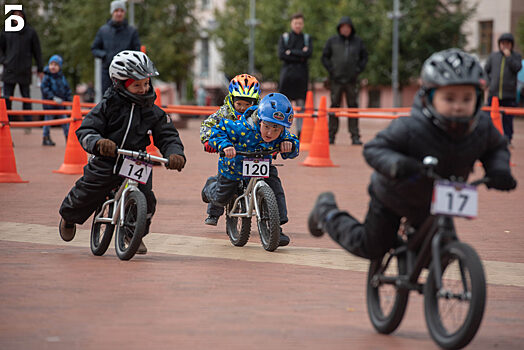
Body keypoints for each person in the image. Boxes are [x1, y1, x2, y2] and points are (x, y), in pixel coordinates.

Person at [309, 49, 517, 260]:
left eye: (467, 98)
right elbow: (374, 149)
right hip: (394, 194)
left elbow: (496, 148)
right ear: (429, 97)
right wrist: (396, 164)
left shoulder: (481, 127)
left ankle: (409, 259)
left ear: (478, 98)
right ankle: (326, 212)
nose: (458, 106)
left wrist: (499, 169)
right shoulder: (412, 126)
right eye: (449, 98)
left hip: (437, 201)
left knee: (442, 255)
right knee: (371, 247)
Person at [58, 50, 186, 255]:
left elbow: (168, 135)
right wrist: (99, 143)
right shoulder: (108, 105)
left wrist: (175, 153)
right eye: (137, 85)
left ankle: (132, 234)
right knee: (89, 191)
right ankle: (69, 217)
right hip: (108, 158)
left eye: (146, 84)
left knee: (147, 200)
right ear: (120, 84)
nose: (144, 89)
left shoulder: (153, 111)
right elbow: (86, 129)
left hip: (137, 160)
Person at [201, 93, 300, 246]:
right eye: (266, 127)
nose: (270, 133)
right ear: (259, 120)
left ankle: (275, 228)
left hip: (263, 167)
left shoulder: (281, 134)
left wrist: (289, 145)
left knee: (275, 188)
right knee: (221, 198)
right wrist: (225, 145)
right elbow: (217, 130)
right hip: (234, 167)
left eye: (276, 129)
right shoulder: (241, 127)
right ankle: (210, 187)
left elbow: (292, 141)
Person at [200, 74, 261, 226]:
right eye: (239, 104)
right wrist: (208, 141)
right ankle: (213, 211)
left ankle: (269, 216)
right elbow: (208, 125)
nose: (242, 108)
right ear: (231, 100)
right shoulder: (224, 113)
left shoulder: (259, 115)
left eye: (247, 105)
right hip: (230, 154)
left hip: (253, 155)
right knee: (224, 187)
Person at [321, 16, 368, 145]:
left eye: (347, 27)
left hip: (352, 80)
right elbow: (324, 57)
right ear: (339, 28)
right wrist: (332, 70)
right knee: (334, 107)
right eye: (343, 27)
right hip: (336, 80)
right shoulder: (332, 41)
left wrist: (357, 70)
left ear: (351, 28)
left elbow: (365, 57)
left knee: (353, 108)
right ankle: (331, 136)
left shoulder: (358, 42)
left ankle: (355, 136)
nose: (345, 29)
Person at [0, 8, 43, 128]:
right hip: (9, 70)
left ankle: (28, 124)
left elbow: (37, 51)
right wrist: (4, 61)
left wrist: (40, 68)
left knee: (26, 98)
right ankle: (5, 122)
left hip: (24, 70)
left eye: (19, 14)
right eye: (15, 15)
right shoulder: (6, 31)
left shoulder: (30, 32)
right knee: (7, 98)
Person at [91, 0, 141, 95]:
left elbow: (137, 51)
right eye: (116, 10)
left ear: (124, 13)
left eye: (121, 10)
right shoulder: (103, 31)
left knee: (126, 100)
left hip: (127, 74)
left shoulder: (132, 31)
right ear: (112, 12)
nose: (119, 13)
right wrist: (106, 56)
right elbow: (94, 49)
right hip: (107, 73)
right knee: (107, 100)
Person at [278, 12, 313, 137]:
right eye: (295, 23)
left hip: (301, 79)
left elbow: (308, 54)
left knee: (301, 108)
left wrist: (290, 53)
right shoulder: (285, 37)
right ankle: (280, 133)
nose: (298, 25)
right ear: (291, 23)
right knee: (283, 108)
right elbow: (281, 55)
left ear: (303, 24)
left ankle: (301, 133)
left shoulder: (307, 39)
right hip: (286, 78)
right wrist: (300, 54)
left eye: (300, 23)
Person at [484, 33, 522, 146]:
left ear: (511, 45)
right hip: (494, 93)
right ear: (499, 44)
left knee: (508, 119)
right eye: (502, 43)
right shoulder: (493, 56)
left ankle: (507, 140)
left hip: (509, 94)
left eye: (507, 43)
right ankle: (488, 139)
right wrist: (487, 82)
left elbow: (517, 68)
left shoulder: (516, 57)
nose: (505, 46)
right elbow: (486, 71)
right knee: (489, 117)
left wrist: (509, 57)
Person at [40, 55, 72, 146]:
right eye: (51, 64)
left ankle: (68, 138)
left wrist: (69, 100)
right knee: (48, 121)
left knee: (65, 121)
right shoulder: (47, 77)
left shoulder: (62, 77)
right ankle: (45, 137)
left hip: (60, 104)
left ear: (59, 67)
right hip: (50, 104)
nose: (53, 66)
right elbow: (44, 89)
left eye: (56, 65)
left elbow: (66, 89)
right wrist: (52, 97)